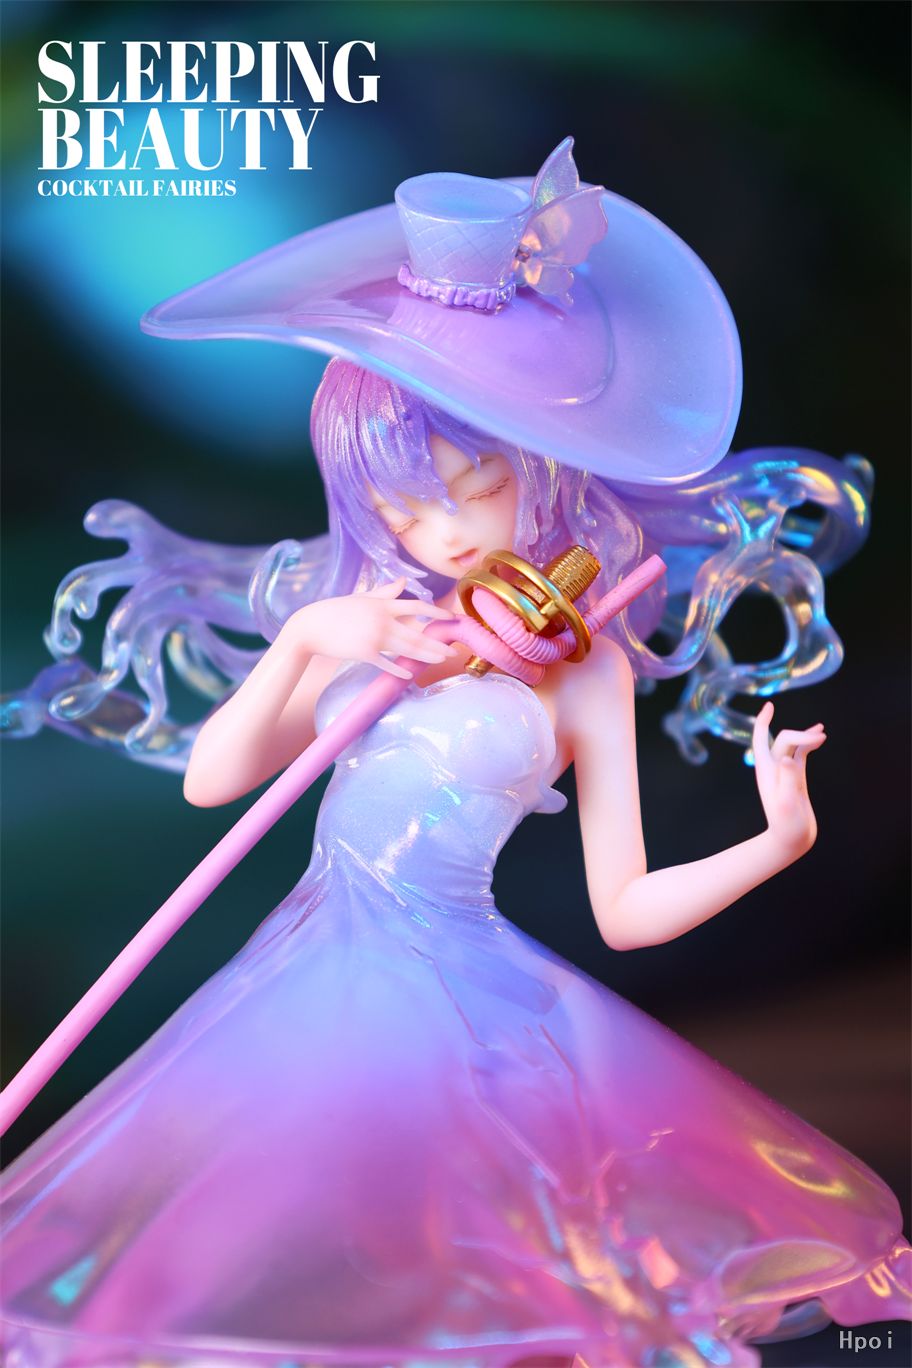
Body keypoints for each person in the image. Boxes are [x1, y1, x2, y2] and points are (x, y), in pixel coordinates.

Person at [1, 141, 908, 1368]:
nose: (434, 531)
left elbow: (626, 909)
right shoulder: (363, 613)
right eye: (400, 504)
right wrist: (310, 640)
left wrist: (777, 838)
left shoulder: (579, 666)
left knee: (470, 1265)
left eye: (469, 489)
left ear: (536, 469)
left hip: (458, 997)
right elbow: (218, 782)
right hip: (305, 969)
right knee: (250, 1249)